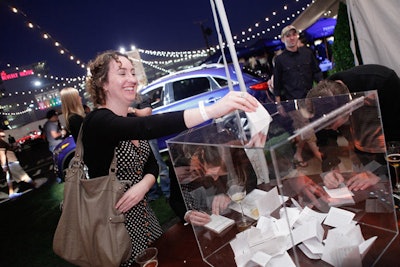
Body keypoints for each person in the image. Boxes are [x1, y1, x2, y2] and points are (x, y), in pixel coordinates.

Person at [81, 50, 258, 265]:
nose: (132, 79)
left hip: (146, 218)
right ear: (103, 83)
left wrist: (144, 184)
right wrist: (211, 110)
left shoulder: (128, 117)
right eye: (122, 73)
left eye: (132, 72)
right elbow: (147, 127)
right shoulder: (97, 122)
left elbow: (153, 165)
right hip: (114, 224)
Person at [305, 73, 396, 191]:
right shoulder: (321, 99)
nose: (333, 129)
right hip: (362, 158)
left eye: (333, 125)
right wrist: (331, 167)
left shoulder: (383, 82)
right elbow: (325, 140)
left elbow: (396, 138)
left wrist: (381, 174)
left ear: (347, 108)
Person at [273, 25, 324, 167]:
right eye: (288, 36)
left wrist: (324, 89)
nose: (291, 38)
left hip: (309, 98)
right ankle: (319, 156)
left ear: (297, 36)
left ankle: (298, 154)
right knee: (306, 127)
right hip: (292, 102)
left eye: (293, 35)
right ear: (283, 39)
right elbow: (277, 84)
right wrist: (279, 104)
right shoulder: (280, 60)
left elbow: (317, 73)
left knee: (303, 128)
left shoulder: (307, 53)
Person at [130, 97, 170, 201]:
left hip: (147, 135)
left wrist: (133, 110)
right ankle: (153, 193)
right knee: (143, 166)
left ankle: (167, 192)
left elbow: (147, 112)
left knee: (158, 163)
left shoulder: (138, 97)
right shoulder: (120, 100)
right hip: (133, 138)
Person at [0, 131, 36, 198]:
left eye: (3, 135)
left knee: (9, 178)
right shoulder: (1, 142)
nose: (3, 137)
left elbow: (6, 151)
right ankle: (35, 184)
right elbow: (2, 154)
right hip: (11, 162)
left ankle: (11, 194)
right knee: (23, 175)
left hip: (8, 163)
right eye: (2, 136)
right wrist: (4, 165)